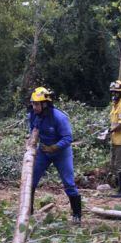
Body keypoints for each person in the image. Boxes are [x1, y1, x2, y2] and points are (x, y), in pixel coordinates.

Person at [28, 87, 82, 222]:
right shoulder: (33, 115)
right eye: (33, 103)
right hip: (43, 151)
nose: (34, 107)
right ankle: (28, 210)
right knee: (31, 180)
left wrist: (55, 147)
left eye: (37, 104)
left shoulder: (60, 117)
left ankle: (76, 214)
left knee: (69, 183)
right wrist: (31, 144)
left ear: (45, 104)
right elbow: (33, 132)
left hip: (61, 153)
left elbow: (68, 138)